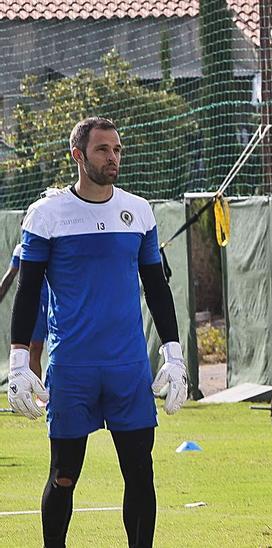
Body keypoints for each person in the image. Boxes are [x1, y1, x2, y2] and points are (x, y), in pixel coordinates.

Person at [6, 116, 189, 548]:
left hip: (128, 369)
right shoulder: (47, 215)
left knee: (140, 475)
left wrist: (175, 357)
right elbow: (27, 290)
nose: (113, 158)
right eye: (103, 150)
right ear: (78, 156)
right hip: (72, 370)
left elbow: (158, 289)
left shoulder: (139, 211)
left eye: (118, 149)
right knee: (63, 475)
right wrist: (18, 363)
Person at [0, 218, 50, 380]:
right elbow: (9, 278)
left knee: (63, 347)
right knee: (34, 348)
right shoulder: (21, 250)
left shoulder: (55, 245)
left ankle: (57, 391)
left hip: (57, 304)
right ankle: (38, 396)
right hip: (34, 305)